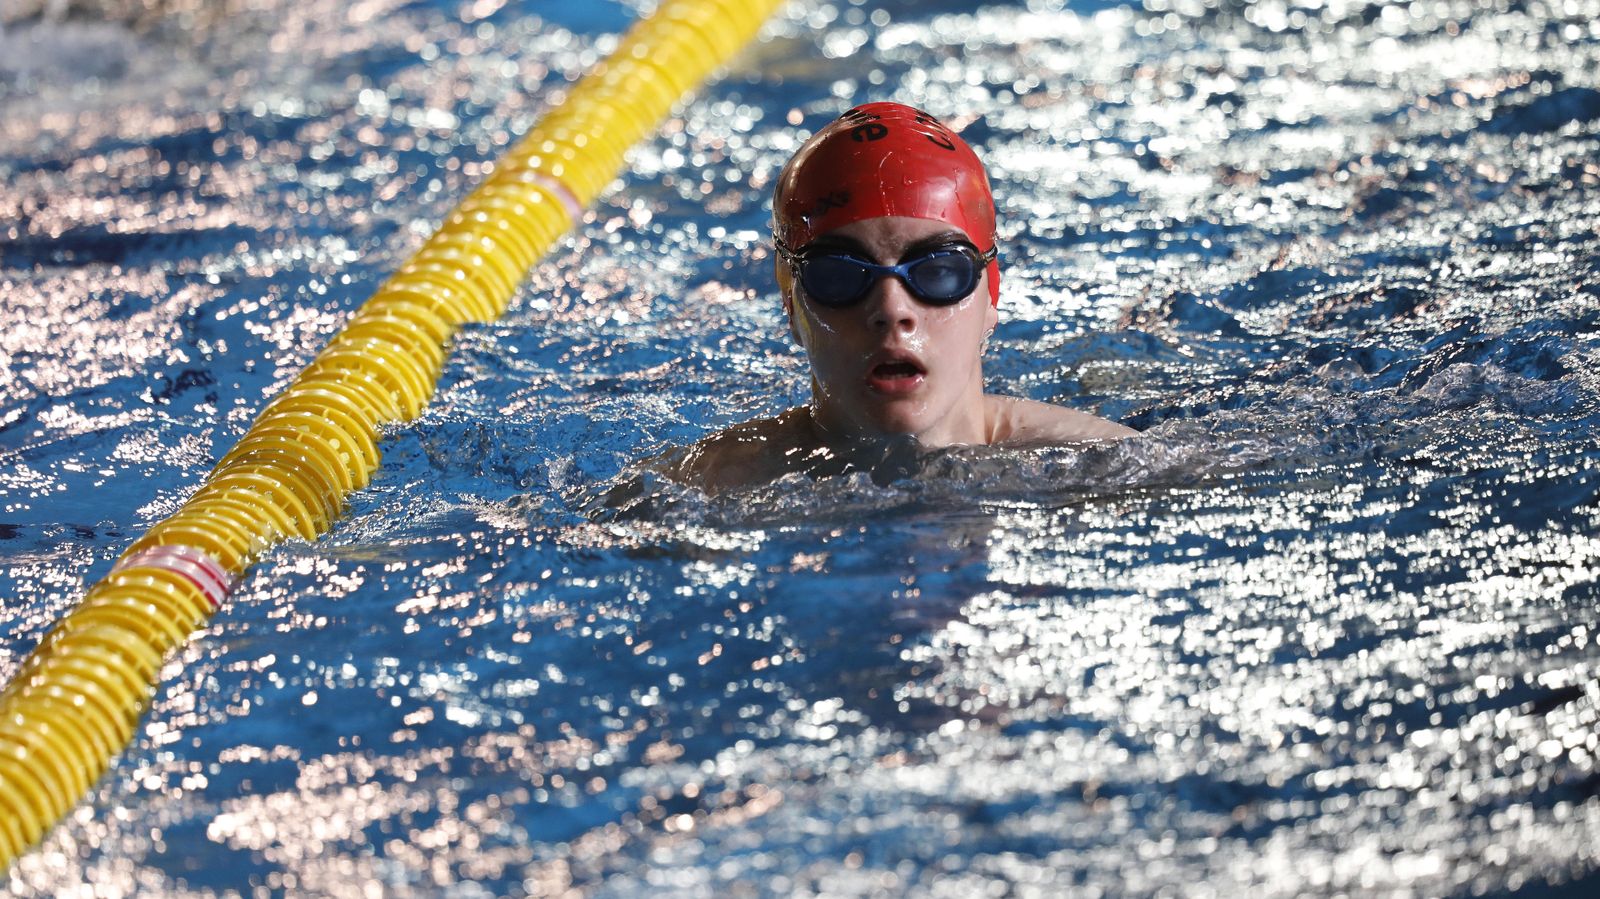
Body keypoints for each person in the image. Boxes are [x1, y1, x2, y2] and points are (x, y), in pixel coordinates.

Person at [665, 101, 1134, 493]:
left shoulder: (1111, 469)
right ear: (792, 302)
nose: (892, 310)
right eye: (840, 275)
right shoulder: (702, 488)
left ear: (991, 292)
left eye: (937, 272)